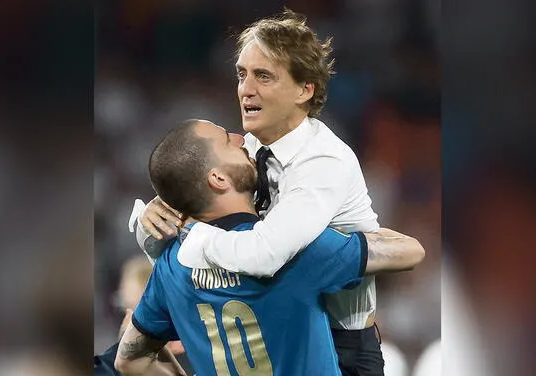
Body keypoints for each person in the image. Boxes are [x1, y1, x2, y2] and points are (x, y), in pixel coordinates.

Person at [130, 9, 408, 375]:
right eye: (242, 74)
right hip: (275, 319)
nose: (246, 88)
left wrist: (192, 238)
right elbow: (200, 196)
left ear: (304, 89)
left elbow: (265, 256)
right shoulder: (245, 151)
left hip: (340, 343)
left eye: (263, 76)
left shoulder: (323, 162)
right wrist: (151, 216)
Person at [116, 119, 424, 376]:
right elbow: (411, 251)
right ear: (219, 178)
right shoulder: (294, 252)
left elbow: (130, 360)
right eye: (227, 140)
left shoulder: (171, 265)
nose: (240, 138)